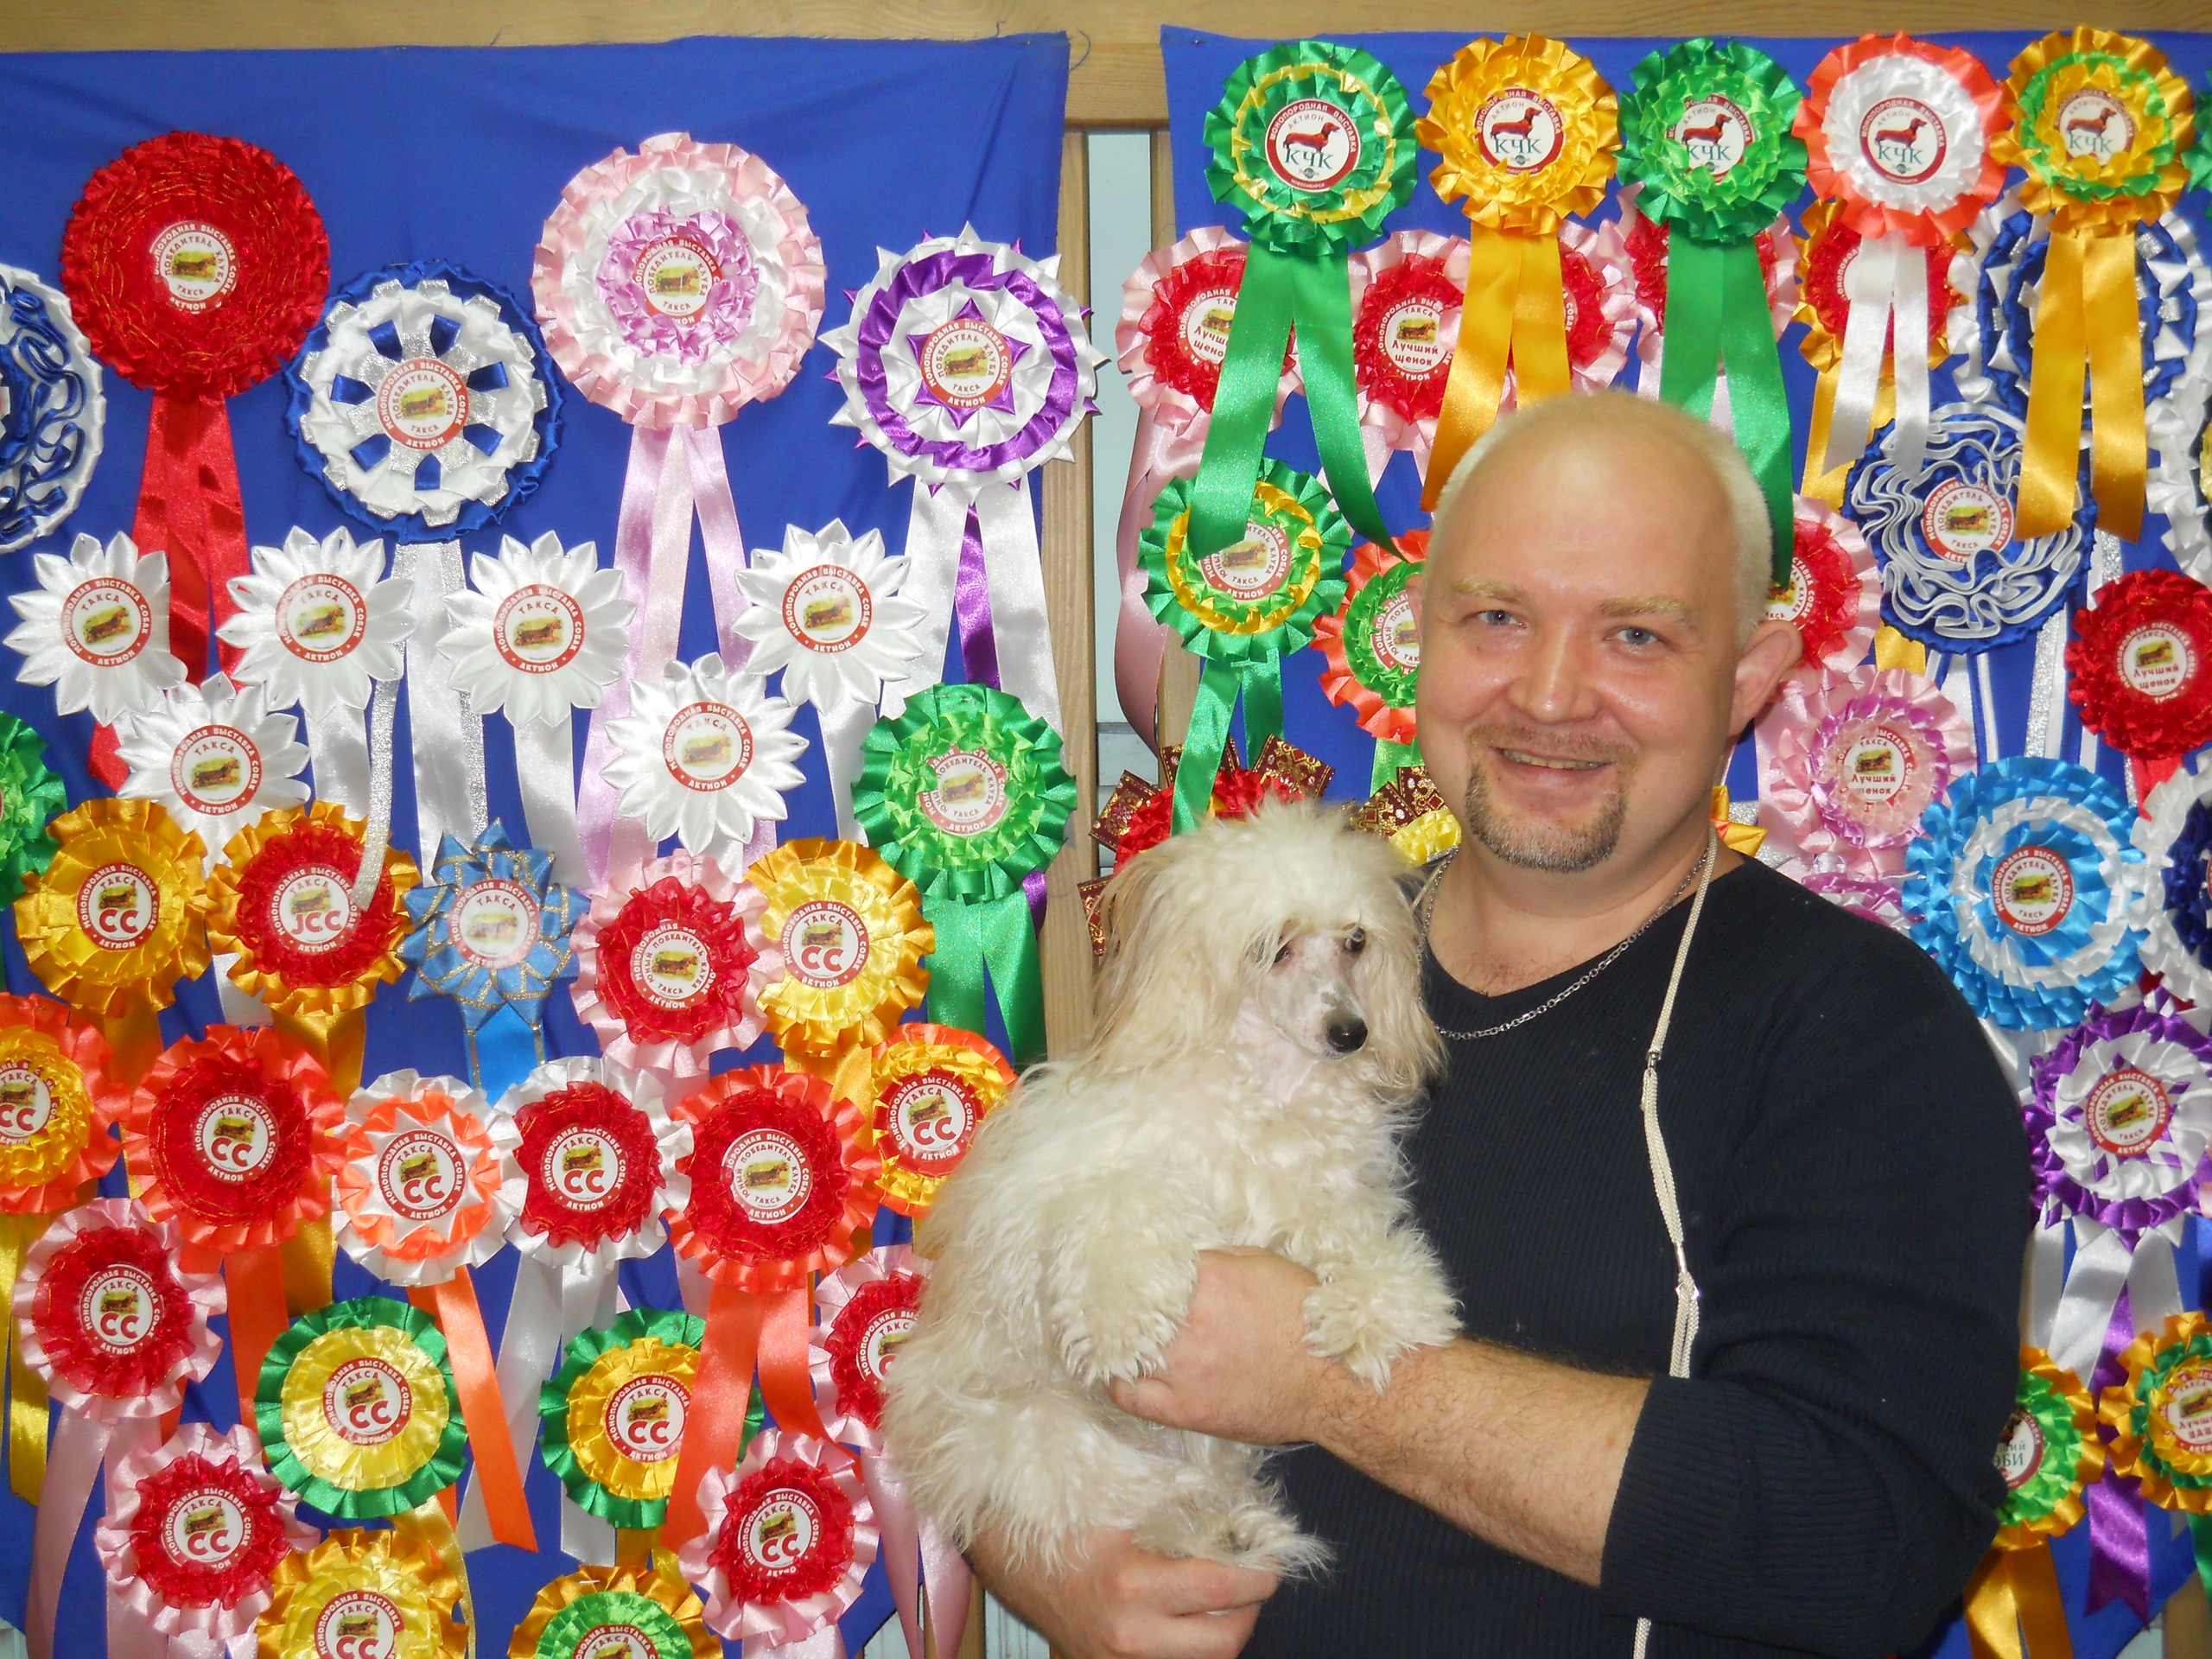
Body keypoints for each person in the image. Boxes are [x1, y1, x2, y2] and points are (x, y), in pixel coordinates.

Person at [967, 391, 2034, 1658]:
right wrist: (1045, 1561)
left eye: (1636, 635)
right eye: (1496, 618)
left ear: (1748, 679)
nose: (1551, 693)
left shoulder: (1862, 1034)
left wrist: (1327, 1379)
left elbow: (1865, 1544)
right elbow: (987, 1328)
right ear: (1415, 635)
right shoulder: (1267, 958)